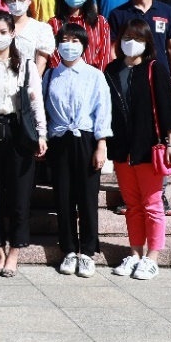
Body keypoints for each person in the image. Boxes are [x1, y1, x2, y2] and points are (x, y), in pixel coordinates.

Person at [106, 19, 171, 281]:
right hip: (122, 148)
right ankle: (135, 253)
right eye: (127, 37)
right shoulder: (111, 69)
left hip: (148, 147)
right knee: (132, 206)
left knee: (152, 204)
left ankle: (152, 258)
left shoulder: (154, 68)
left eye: (138, 38)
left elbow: (167, 107)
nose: (131, 43)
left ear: (148, 43)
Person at [0, 11, 46, 277]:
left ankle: (15, 253)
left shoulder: (26, 65)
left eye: (3, 32)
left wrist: (42, 134)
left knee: (19, 196)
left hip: (18, 131)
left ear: (12, 33)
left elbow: (36, 101)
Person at [45, 23, 113, 278]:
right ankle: (69, 249)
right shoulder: (51, 75)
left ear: (84, 45)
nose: (69, 45)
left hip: (86, 139)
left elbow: (102, 110)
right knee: (63, 198)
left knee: (87, 198)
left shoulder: (94, 75)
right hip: (59, 139)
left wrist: (101, 144)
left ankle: (88, 251)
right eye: (64, 40)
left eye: (75, 40)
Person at [108, 0, 171, 92]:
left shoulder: (166, 11)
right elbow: (113, 48)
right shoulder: (117, 14)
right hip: (129, 75)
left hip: (159, 74)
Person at [49, 0, 113, 71]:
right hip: (63, 75)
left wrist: (98, 76)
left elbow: (105, 55)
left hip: (94, 76)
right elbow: (54, 56)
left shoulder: (100, 22)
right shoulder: (54, 23)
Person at [3, 0, 55, 75]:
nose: (16, 2)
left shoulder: (42, 29)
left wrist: (32, 81)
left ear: (29, 0)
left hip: (29, 79)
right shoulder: (0, 27)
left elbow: (41, 63)